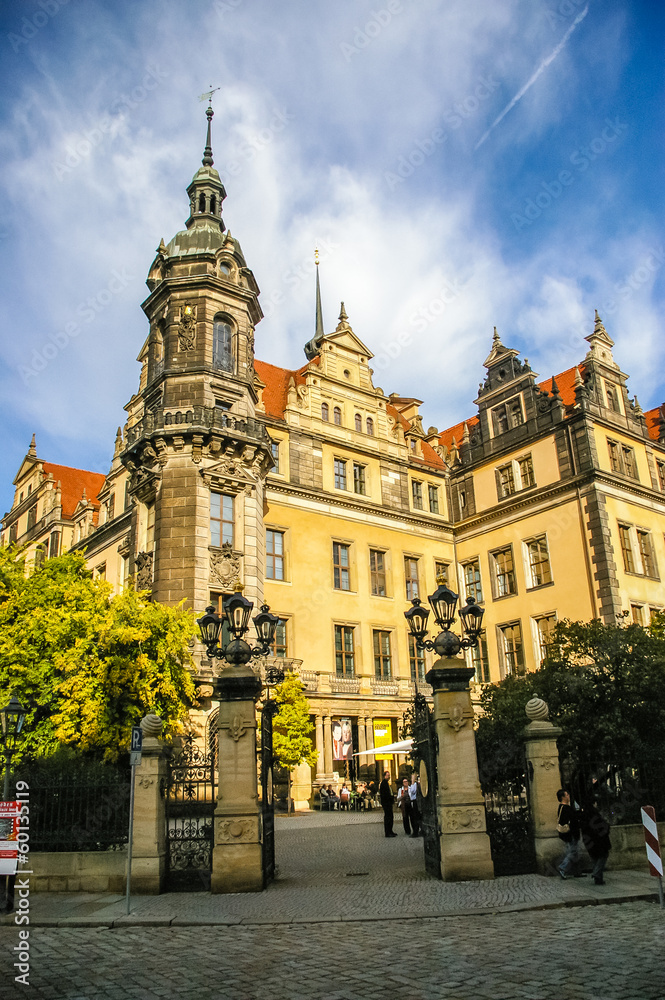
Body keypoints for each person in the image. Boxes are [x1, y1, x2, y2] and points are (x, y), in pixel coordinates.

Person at [581, 800, 611, 885]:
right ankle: (597, 873)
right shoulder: (595, 814)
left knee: (594, 858)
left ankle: (598, 879)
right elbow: (602, 827)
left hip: (588, 840)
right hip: (599, 840)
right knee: (603, 856)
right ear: (593, 803)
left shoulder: (584, 815)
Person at [556, 788, 582, 879]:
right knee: (572, 852)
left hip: (568, 834)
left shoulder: (561, 807)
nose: (569, 796)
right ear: (563, 797)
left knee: (574, 852)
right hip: (571, 834)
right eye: (567, 795)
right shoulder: (566, 808)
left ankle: (577, 871)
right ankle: (562, 868)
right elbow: (573, 820)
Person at [380, 770, 397, 837]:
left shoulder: (386, 783)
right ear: (384, 776)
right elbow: (385, 794)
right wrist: (390, 798)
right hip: (386, 803)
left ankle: (390, 831)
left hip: (388, 803)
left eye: (389, 775)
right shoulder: (383, 783)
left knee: (390, 817)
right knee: (388, 817)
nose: (389, 777)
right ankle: (388, 832)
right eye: (388, 775)